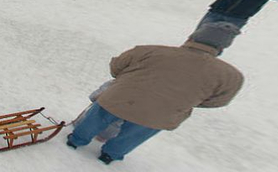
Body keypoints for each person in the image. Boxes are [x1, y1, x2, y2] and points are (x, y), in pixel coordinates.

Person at [67, 22, 244, 164]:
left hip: (119, 98)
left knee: (99, 116)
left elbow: (117, 67)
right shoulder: (230, 76)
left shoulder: (150, 50)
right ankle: (110, 154)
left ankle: (76, 140)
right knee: (136, 133)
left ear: (193, 36)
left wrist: (128, 81)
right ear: (222, 48)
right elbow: (218, 100)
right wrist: (186, 101)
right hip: (162, 114)